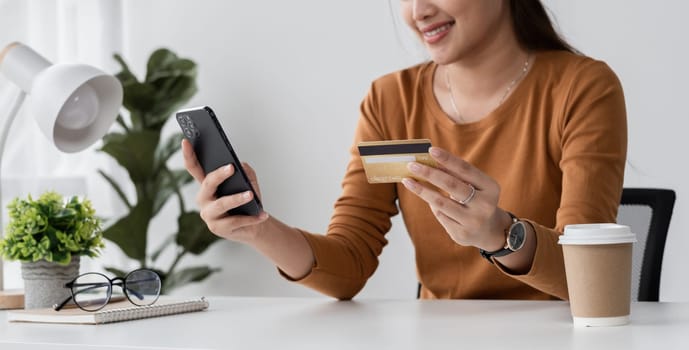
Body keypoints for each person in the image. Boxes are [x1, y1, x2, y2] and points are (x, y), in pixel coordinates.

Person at [182, 0, 626, 300]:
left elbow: (588, 275)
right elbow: (350, 263)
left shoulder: (581, 89)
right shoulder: (392, 103)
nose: (418, 12)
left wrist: (499, 234)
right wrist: (256, 227)